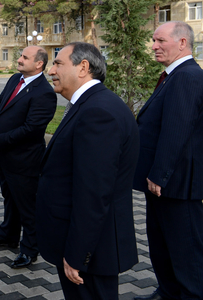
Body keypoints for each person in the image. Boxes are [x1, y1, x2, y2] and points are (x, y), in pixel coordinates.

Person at [37, 42, 139, 299]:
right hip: (87, 244)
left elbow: (94, 193)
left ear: (83, 67)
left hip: (90, 250)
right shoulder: (90, 104)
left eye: (58, 63)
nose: (51, 71)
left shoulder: (98, 112)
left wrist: (77, 254)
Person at [132, 21, 203, 300]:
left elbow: (177, 129)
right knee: (162, 244)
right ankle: (168, 291)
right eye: (154, 40)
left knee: (186, 250)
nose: (154, 46)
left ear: (182, 42)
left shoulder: (186, 76)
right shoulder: (174, 75)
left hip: (176, 183)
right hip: (165, 182)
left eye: (161, 40)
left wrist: (159, 174)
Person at [0, 46, 56, 268]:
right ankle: (8, 236)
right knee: (10, 197)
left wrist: (0, 140)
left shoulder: (44, 92)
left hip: (25, 159)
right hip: (5, 156)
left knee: (27, 205)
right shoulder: (15, 79)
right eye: (20, 55)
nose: (19, 59)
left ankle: (30, 250)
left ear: (39, 64)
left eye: (25, 57)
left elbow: (31, 129)